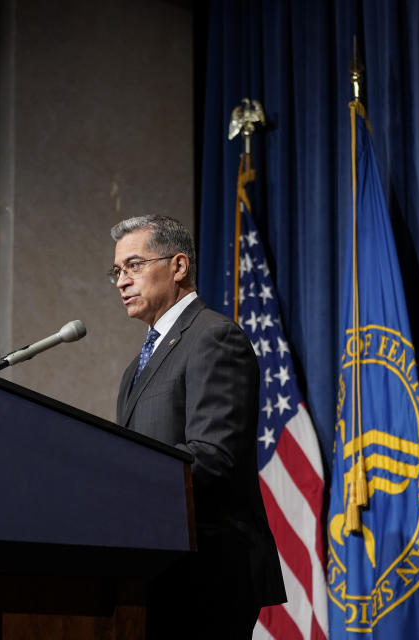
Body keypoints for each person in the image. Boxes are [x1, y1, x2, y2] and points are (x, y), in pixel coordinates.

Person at [110, 215, 286, 638]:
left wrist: (122, 478)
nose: (121, 281)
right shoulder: (136, 366)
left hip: (206, 572)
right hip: (156, 568)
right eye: (117, 271)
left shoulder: (214, 337)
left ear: (179, 266)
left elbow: (213, 457)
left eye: (134, 265)